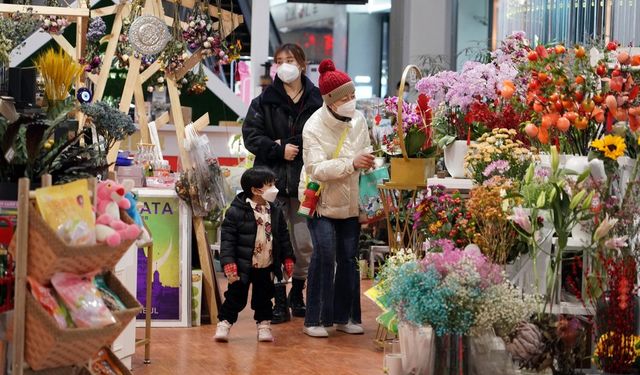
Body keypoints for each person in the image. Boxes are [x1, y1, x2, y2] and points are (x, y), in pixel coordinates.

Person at [242, 43, 323, 323]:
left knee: (304, 243)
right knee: (271, 241)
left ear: (302, 63)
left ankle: (297, 292)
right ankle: (277, 299)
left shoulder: (317, 100)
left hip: (306, 183)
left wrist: (285, 143)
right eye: (279, 60)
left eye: (289, 59)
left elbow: (322, 137)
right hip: (270, 184)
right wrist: (277, 150)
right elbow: (251, 137)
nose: (284, 65)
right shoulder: (264, 101)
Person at [299, 59, 374, 338]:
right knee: (325, 254)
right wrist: (351, 163)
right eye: (346, 97)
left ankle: (347, 316)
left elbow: (365, 150)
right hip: (321, 202)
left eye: (353, 95)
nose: (351, 101)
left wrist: (367, 161)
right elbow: (315, 169)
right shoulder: (313, 127)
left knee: (349, 257)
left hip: (351, 202)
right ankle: (315, 319)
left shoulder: (359, 120)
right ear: (331, 100)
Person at [214, 167, 295, 343]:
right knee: (235, 296)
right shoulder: (236, 211)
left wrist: (288, 257)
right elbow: (227, 240)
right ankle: (224, 323)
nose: (274, 188)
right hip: (242, 265)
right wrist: (228, 262)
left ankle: (264, 326)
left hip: (266, 264)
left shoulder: (275, 210)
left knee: (264, 298)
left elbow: (283, 236)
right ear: (255, 190)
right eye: (269, 185)